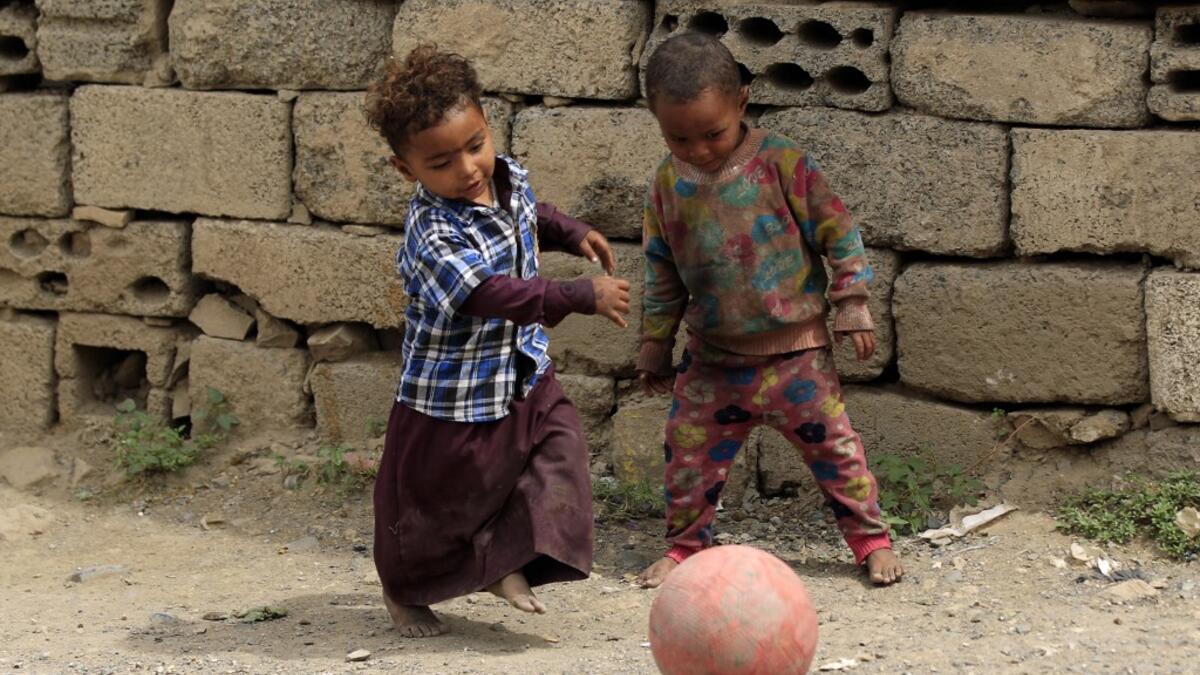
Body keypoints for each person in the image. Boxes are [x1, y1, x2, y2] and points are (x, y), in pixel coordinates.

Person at [364, 45, 632, 637]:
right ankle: (406, 590)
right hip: (452, 399)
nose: (467, 169)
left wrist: (574, 231)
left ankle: (504, 563)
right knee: (438, 506)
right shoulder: (431, 232)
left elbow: (530, 212)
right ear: (406, 170)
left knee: (562, 462)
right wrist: (577, 295)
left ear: (487, 125)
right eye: (440, 162)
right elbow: (491, 295)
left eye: (475, 144)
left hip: (524, 374)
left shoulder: (500, 177)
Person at [633, 33, 904, 588]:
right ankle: (686, 546)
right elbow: (661, 270)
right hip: (711, 360)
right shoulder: (667, 183)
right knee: (688, 456)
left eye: (713, 133)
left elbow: (839, 232)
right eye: (678, 137)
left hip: (796, 356)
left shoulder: (783, 163)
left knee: (835, 450)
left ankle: (870, 539)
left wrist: (852, 302)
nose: (699, 149)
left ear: (742, 103)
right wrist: (655, 344)